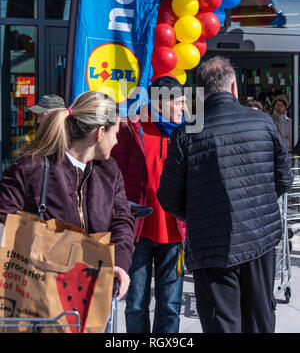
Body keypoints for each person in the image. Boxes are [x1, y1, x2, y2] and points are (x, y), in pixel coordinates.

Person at [157, 56, 294, 334]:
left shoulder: (187, 132)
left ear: (202, 92)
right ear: (234, 88)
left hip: (212, 246)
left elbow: (169, 197)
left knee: (222, 324)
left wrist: (199, 215)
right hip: (259, 238)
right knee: (259, 319)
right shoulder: (262, 122)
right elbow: (284, 179)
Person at [0, 90, 134, 301]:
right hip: (38, 295)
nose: (117, 141)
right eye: (115, 133)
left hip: (93, 290)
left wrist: (119, 263)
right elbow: (5, 221)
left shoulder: (109, 170)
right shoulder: (31, 168)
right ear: (100, 132)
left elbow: (122, 220)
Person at [111, 75, 187, 334]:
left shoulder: (187, 134)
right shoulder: (133, 130)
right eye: (180, 102)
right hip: (138, 232)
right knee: (135, 304)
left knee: (171, 305)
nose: (184, 108)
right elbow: (113, 174)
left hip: (175, 232)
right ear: (161, 103)